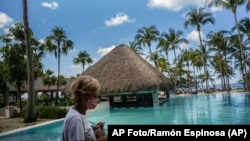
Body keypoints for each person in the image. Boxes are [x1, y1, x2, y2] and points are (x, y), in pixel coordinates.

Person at [62, 75, 108, 141]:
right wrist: (104, 138)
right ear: (82, 97)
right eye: (94, 96)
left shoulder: (78, 112)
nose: (97, 99)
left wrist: (92, 130)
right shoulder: (76, 119)